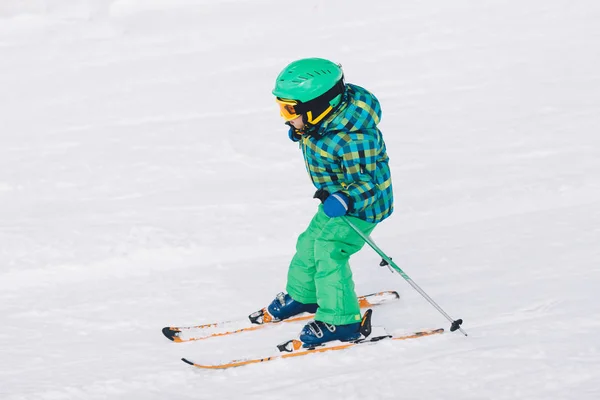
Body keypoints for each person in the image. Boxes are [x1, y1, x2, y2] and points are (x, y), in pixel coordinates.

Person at [251, 58, 394, 347]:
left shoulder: (354, 138)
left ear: (318, 108)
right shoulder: (322, 123)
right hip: (335, 199)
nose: (284, 116)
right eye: (282, 107)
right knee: (308, 243)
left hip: (362, 207)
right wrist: (302, 129)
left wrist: (346, 197)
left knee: (329, 251)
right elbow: (318, 140)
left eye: (289, 109)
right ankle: (306, 296)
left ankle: (343, 321)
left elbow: (369, 184)